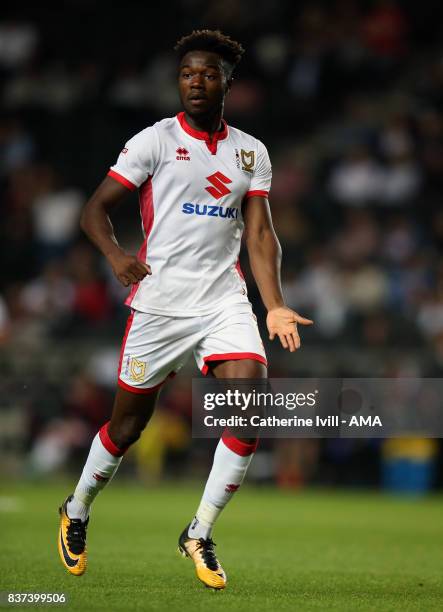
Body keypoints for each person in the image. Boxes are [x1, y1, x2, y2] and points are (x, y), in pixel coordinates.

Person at [57, 29, 313, 590]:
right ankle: (76, 509)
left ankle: (199, 531)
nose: (196, 81)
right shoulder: (154, 140)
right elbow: (94, 210)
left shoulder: (251, 151)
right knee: (127, 428)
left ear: (227, 82)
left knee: (248, 404)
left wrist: (274, 305)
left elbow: (262, 236)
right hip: (160, 305)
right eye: (187, 73)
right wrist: (116, 255)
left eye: (207, 73)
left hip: (223, 299)